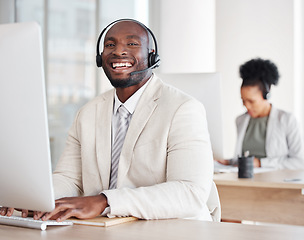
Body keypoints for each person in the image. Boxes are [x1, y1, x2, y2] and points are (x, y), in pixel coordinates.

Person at [0, 19, 219, 221]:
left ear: (152, 55)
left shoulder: (183, 109)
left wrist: (105, 201)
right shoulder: (87, 113)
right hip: (108, 228)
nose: (119, 51)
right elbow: (70, 179)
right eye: (110, 45)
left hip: (174, 229)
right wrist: (35, 200)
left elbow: (190, 192)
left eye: (132, 44)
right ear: (100, 57)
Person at [216, 58, 304, 170]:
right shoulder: (241, 120)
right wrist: (228, 162)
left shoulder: (286, 120)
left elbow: (299, 162)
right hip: (246, 182)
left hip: (276, 183)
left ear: (266, 95)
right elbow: (244, 157)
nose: (246, 106)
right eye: (243, 100)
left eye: (251, 101)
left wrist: (260, 163)